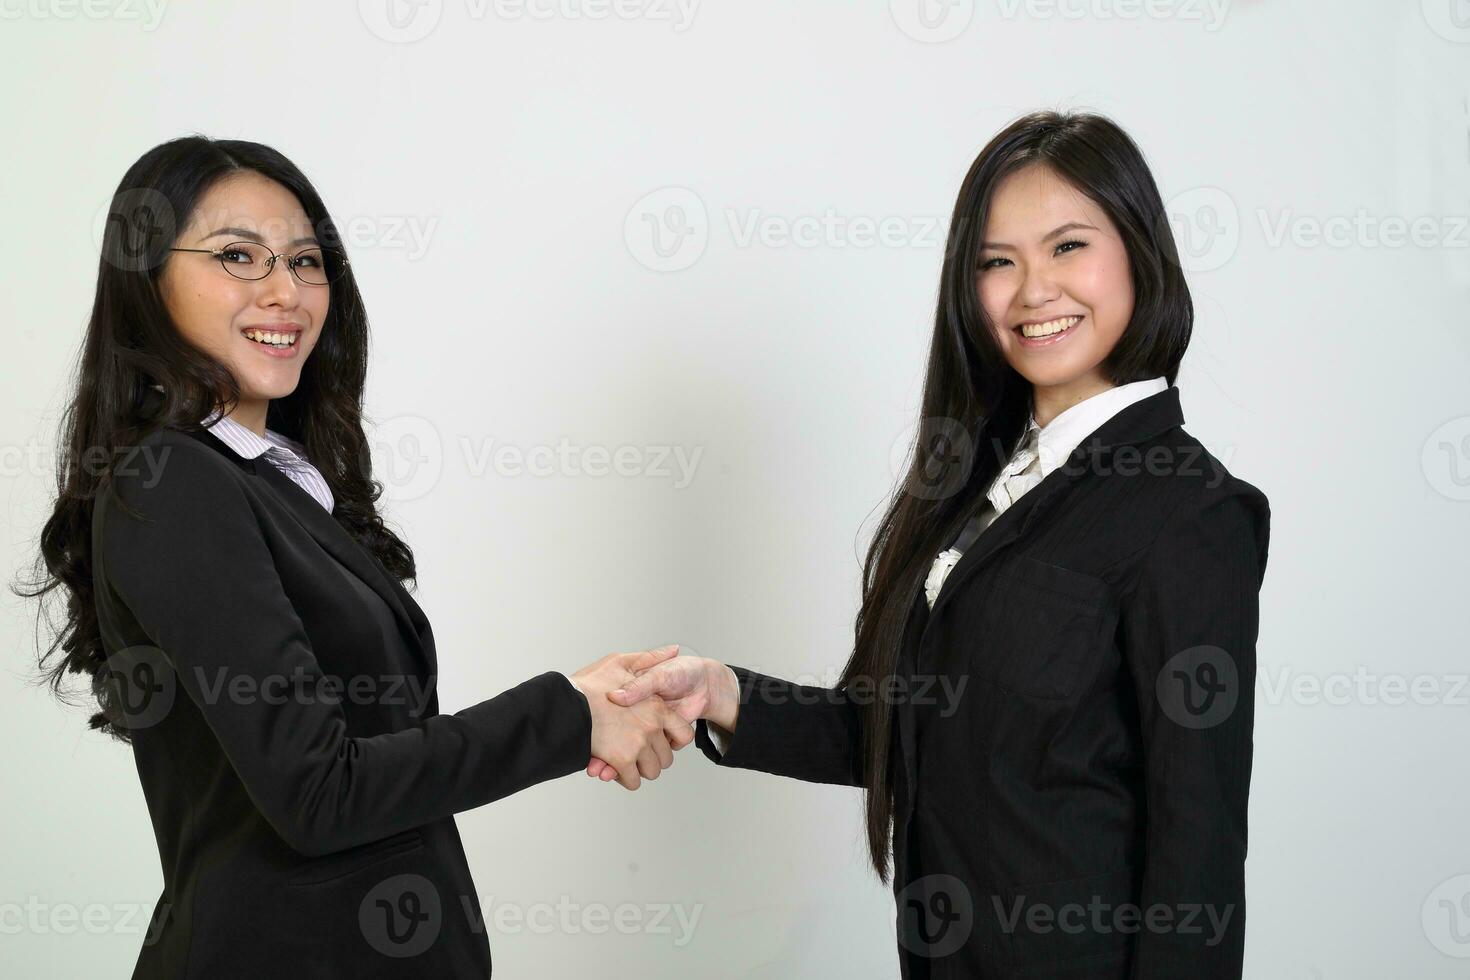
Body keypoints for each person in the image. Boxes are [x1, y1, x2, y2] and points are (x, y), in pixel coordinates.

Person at [593, 109, 1271, 979]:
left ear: (1140, 252)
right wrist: (719, 691)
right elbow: (900, 734)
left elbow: (1198, 846)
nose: (1033, 291)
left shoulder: (1192, 511)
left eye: (1068, 247)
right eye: (998, 262)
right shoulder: (978, 487)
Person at [21, 135, 691, 978]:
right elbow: (319, 793)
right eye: (238, 256)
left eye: (306, 261)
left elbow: (367, 764)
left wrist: (589, 701)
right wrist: (568, 717)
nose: (285, 291)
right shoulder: (172, 480)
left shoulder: (273, 483)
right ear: (146, 278)